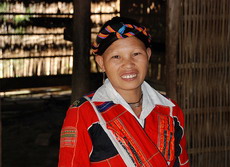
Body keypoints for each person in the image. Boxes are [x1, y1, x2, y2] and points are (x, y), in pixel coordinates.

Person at [58, 17, 190, 167]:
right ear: (101, 62)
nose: (128, 64)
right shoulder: (84, 113)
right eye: (116, 56)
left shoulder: (171, 111)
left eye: (136, 54)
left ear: (148, 54)